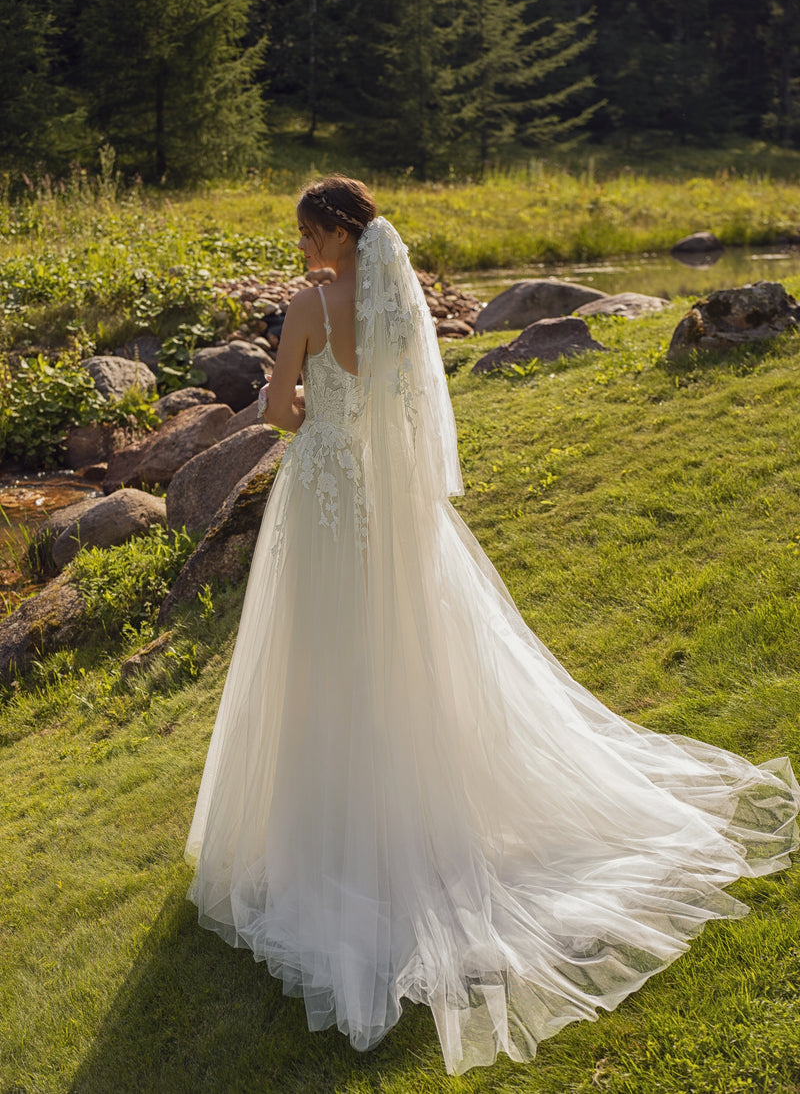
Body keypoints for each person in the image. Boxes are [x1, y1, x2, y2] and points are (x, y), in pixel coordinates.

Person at [185, 175, 800, 1076]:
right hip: (386, 507)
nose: (302, 247)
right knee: (392, 653)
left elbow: (279, 412)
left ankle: (321, 832)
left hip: (323, 498)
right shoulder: (399, 307)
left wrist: (316, 411)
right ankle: (400, 819)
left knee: (319, 660)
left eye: (307, 232)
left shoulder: (311, 305)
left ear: (335, 234)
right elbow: (409, 411)